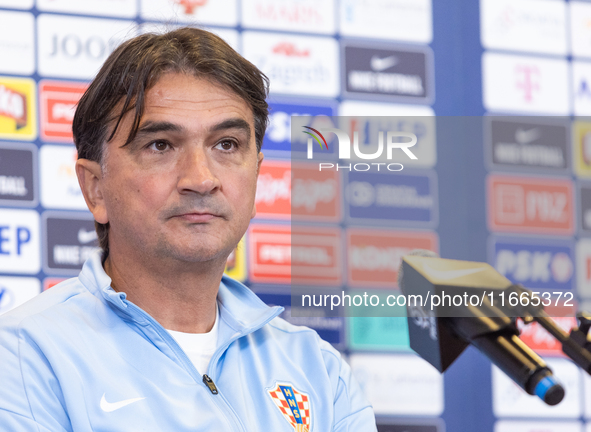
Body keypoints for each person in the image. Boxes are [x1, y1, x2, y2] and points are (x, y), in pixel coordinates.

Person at [0, 27, 377, 431]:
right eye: (161, 145)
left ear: (256, 175)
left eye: (227, 145)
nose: (201, 178)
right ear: (96, 189)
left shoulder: (319, 371)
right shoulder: (22, 356)